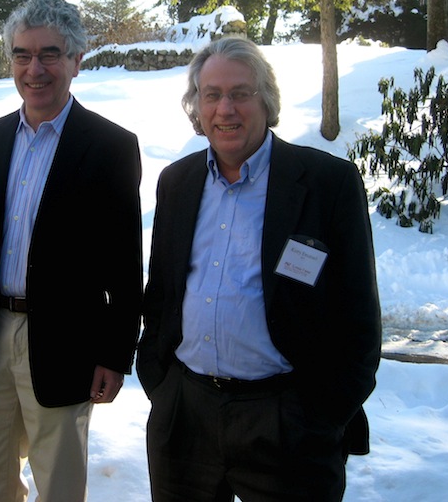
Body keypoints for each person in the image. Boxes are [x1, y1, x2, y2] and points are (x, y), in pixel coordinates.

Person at [136, 36, 382, 502]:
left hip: (287, 423)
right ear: (197, 106)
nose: (225, 109)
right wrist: (162, 386)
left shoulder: (327, 183)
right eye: (211, 95)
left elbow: (359, 319)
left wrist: (320, 417)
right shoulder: (178, 182)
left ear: (266, 101)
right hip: (185, 419)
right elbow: (163, 294)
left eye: (240, 93)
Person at [0, 0, 143, 502]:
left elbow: (124, 264)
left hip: (67, 341)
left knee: (59, 485)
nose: (35, 68)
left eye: (50, 53)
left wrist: (116, 353)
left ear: (76, 60)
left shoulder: (111, 146)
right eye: (22, 54)